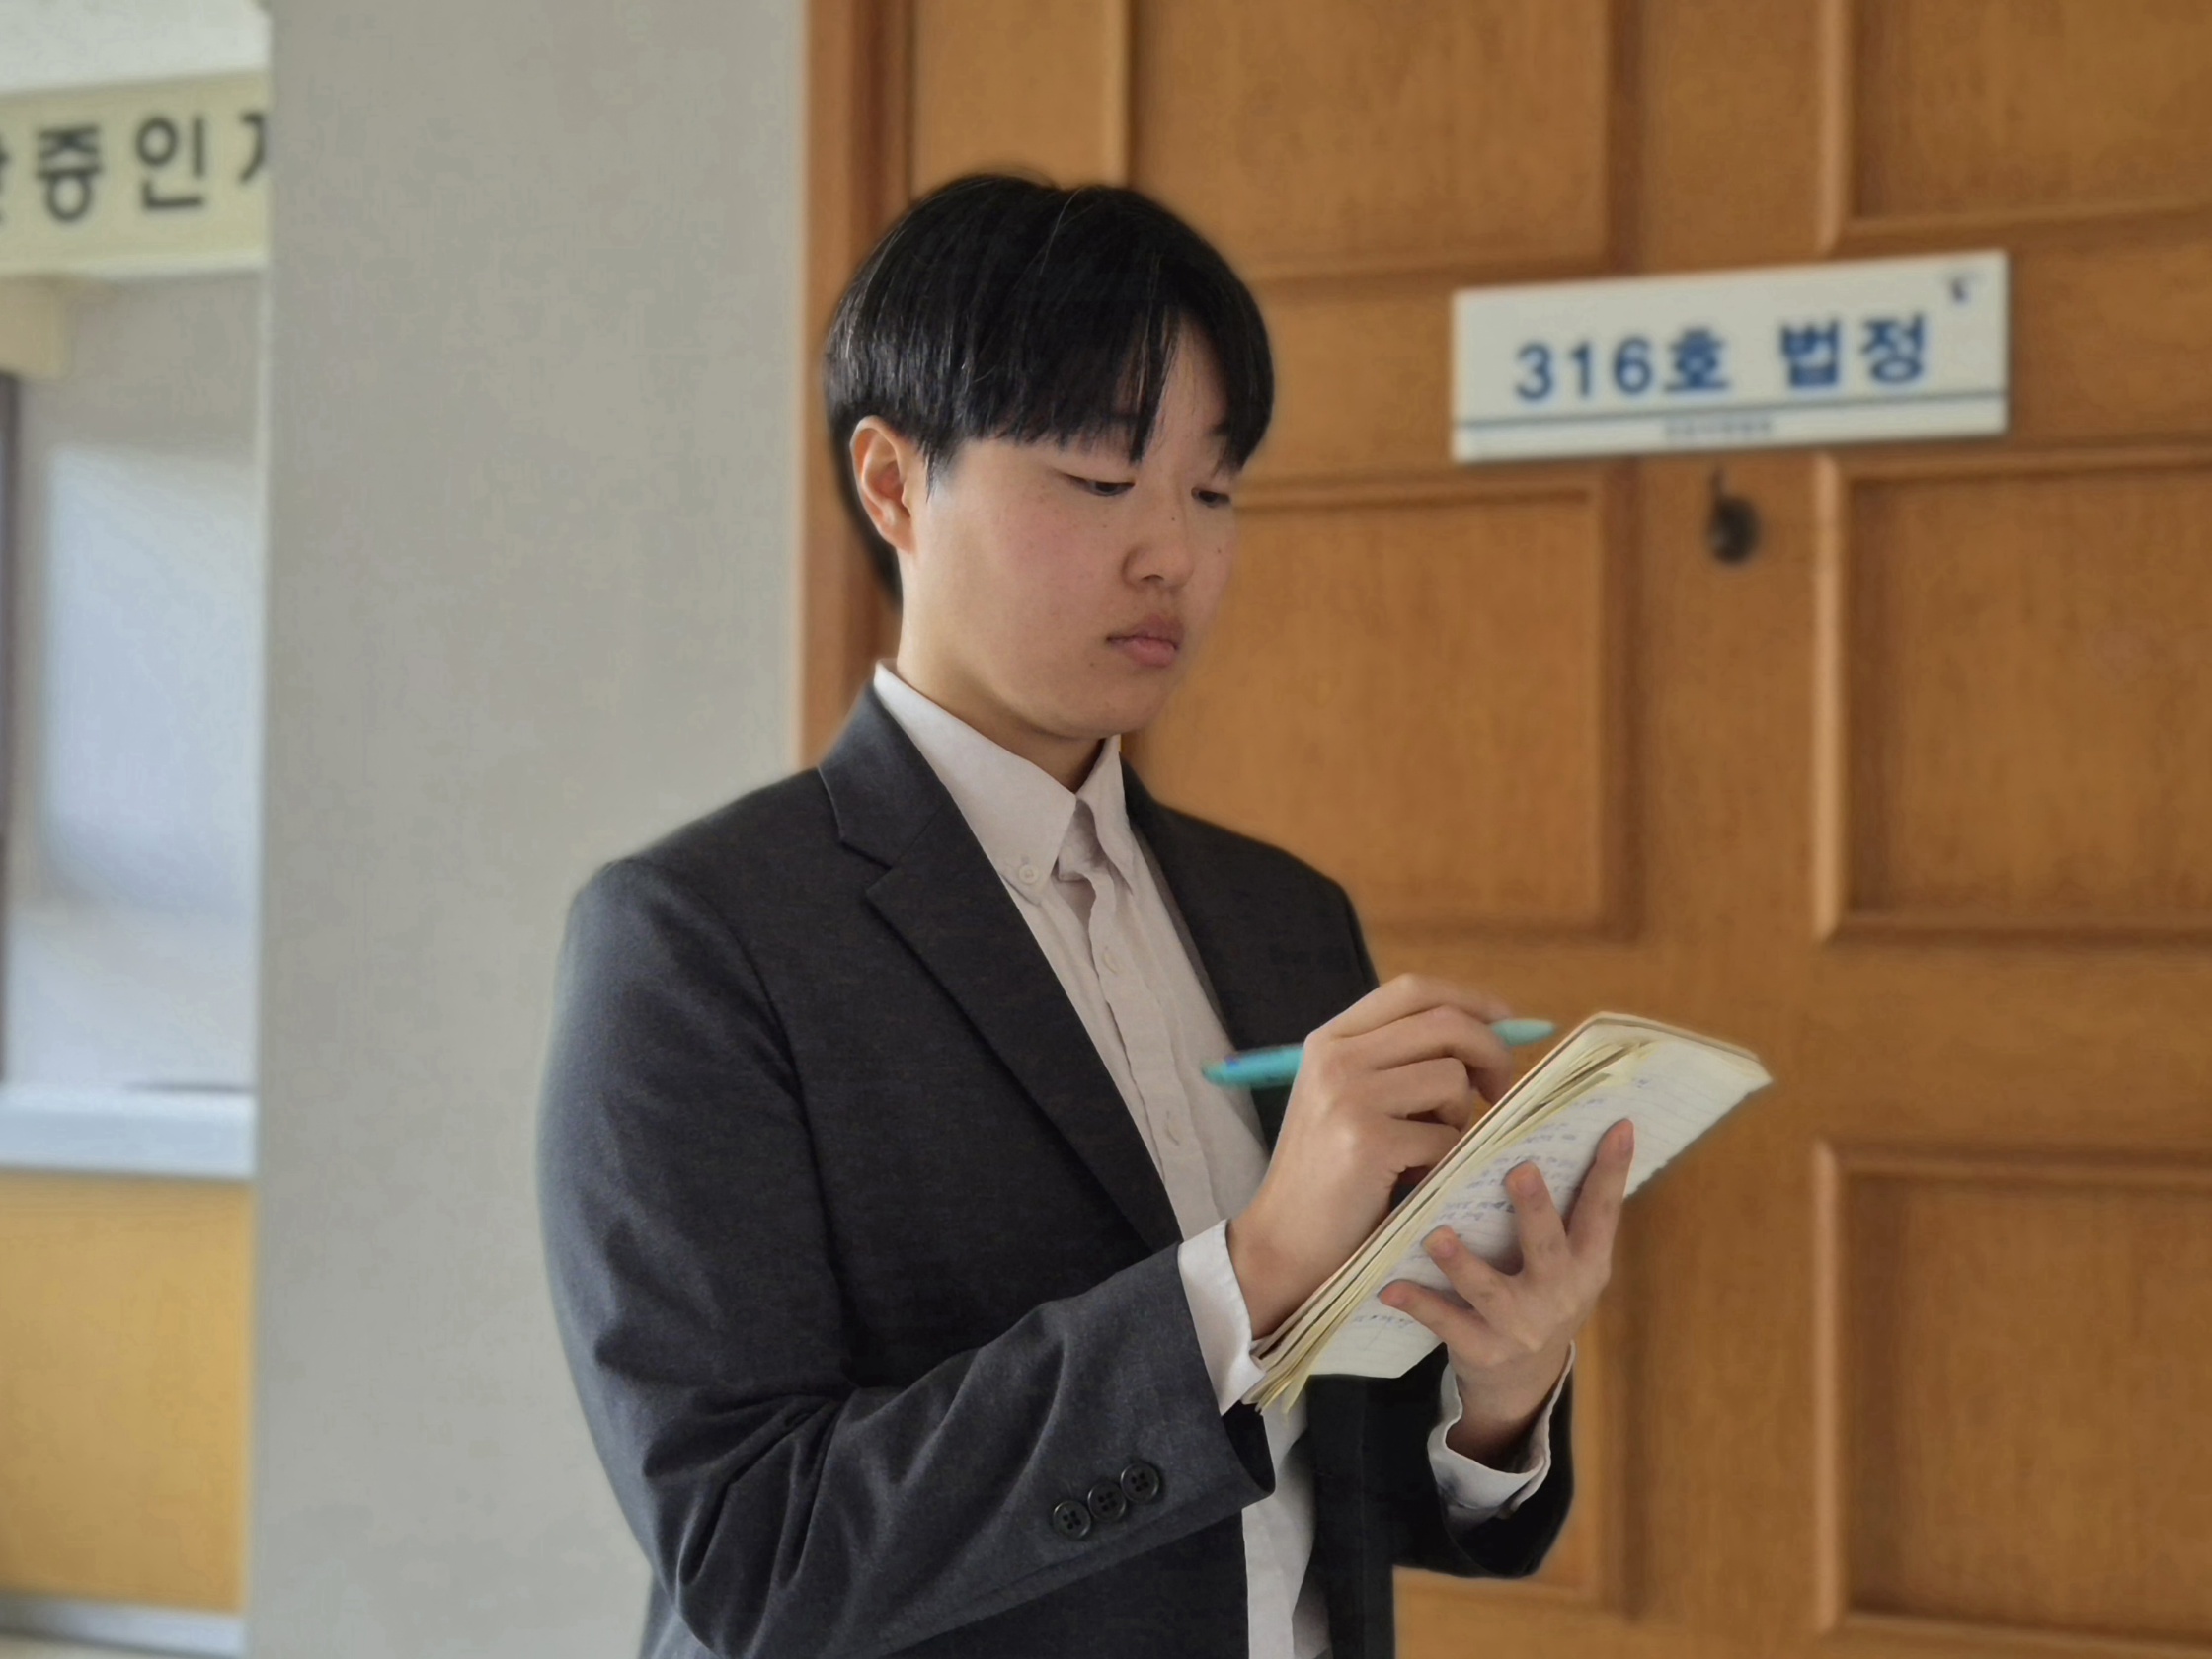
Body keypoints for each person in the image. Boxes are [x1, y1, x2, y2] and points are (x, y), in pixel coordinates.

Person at [537, 174, 1633, 1659]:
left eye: (1213, 489)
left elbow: (1322, 1482)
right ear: (894, 483)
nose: (1172, 550)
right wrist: (1250, 1270)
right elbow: (758, 1556)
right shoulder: (696, 940)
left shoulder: (1285, 916)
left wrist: (1499, 1394)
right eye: (1101, 481)